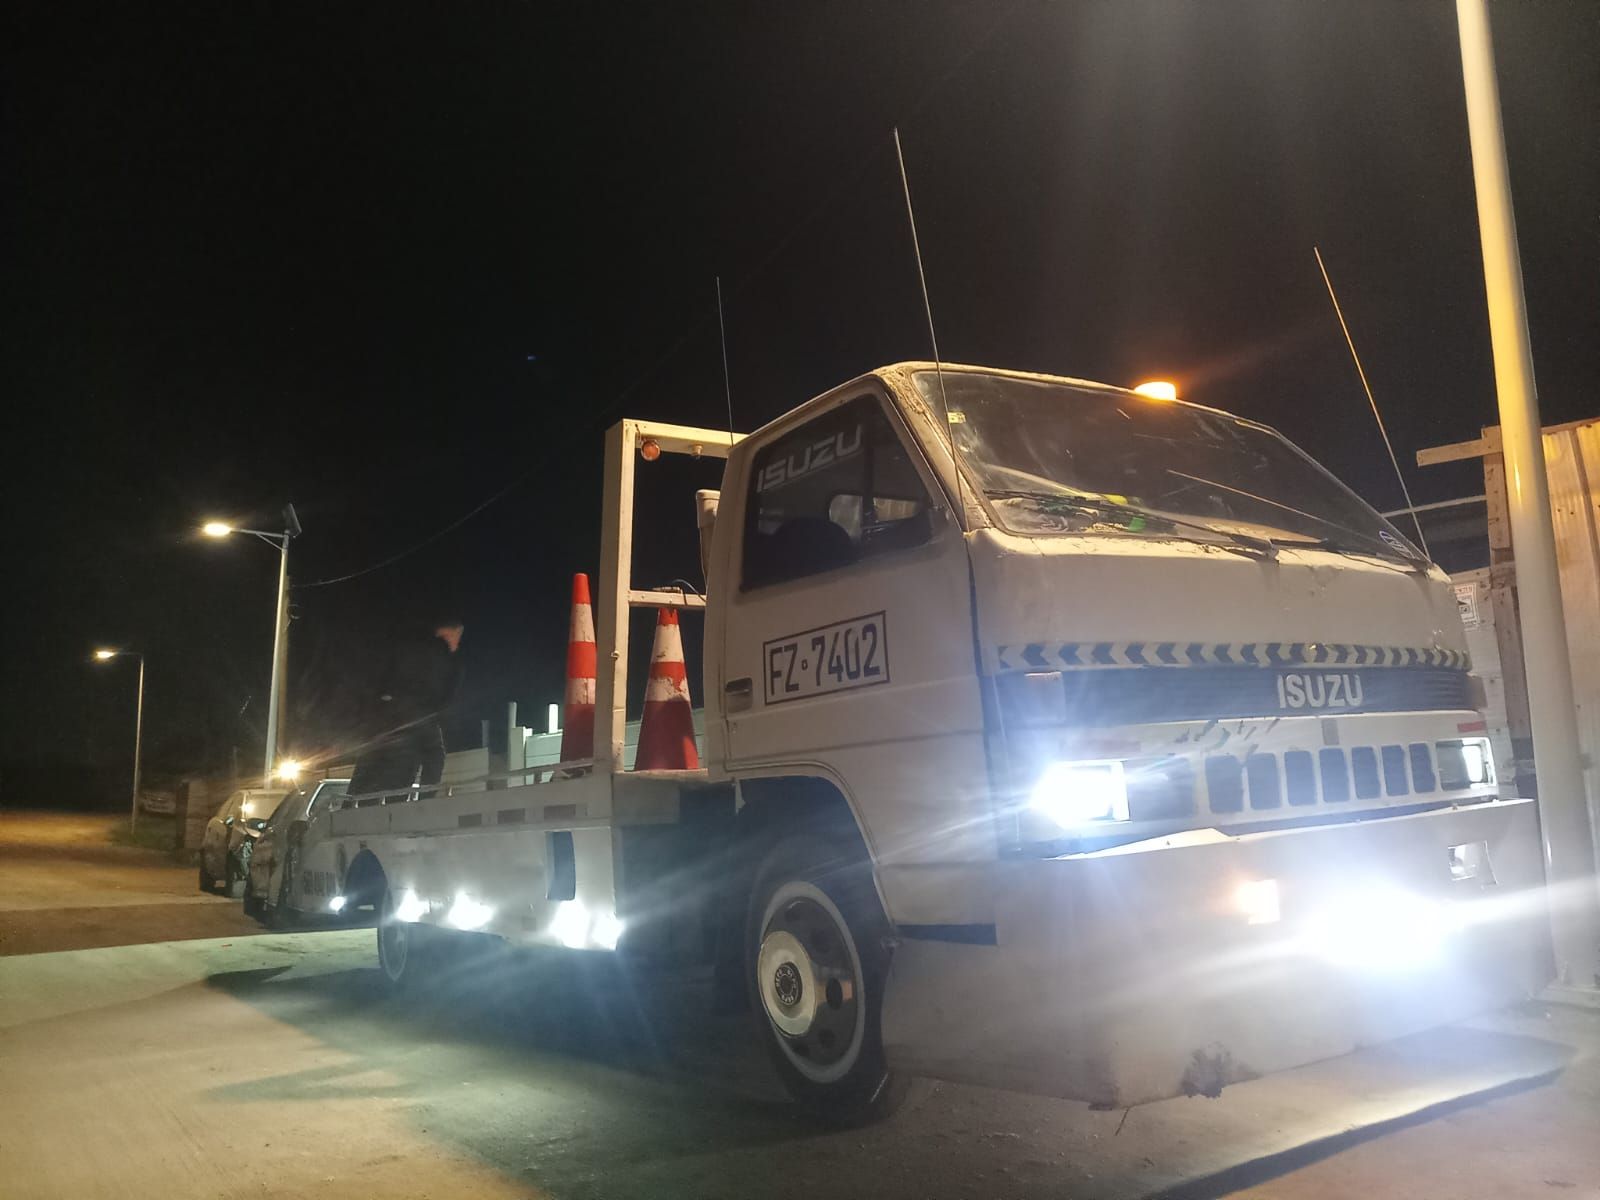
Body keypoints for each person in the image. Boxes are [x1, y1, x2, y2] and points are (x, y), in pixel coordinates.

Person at [347, 618, 465, 801]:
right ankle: (418, 801)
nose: (456, 645)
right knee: (429, 756)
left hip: (385, 715)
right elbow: (447, 695)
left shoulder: (406, 647)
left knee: (373, 760)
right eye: (455, 638)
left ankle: (353, 801)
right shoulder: (441, 657)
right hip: (416, 716)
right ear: (446, 634)